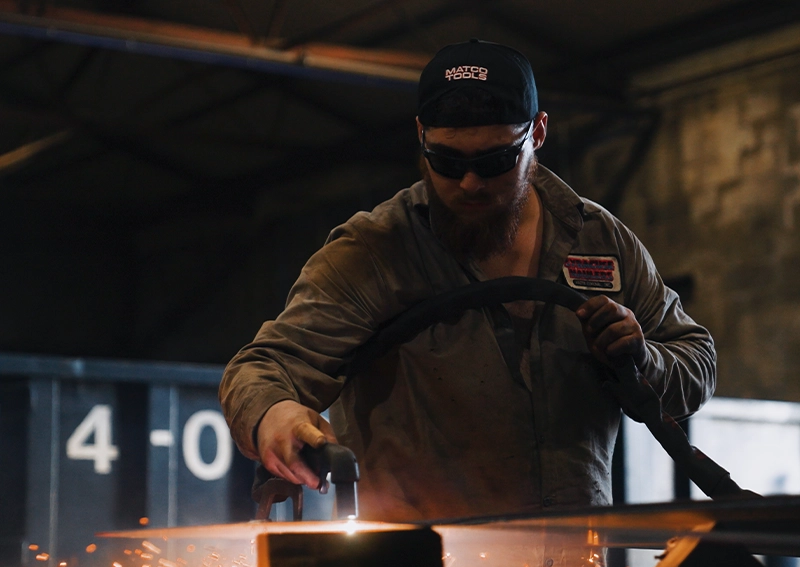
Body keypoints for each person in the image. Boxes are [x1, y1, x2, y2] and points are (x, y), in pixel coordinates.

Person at [219, 40, 715, 525]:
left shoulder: (600, 240)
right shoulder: (374, 251)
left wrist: (641, 359)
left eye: (496, 160)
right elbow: (263, 368)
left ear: (537, 133)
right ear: (421, 135)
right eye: (448, 162)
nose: (470, 183)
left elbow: (696, 359)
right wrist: (276, 417)